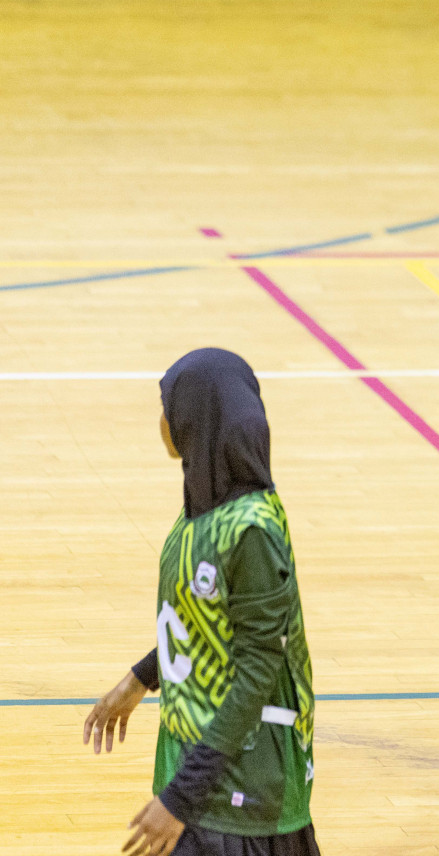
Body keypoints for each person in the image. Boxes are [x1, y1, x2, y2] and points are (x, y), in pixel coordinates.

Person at [82, 348, 318, 856]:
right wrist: (142, 677)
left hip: (245, 784)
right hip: (198, 760)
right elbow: (205, 622)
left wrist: (182, 796)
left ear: (196, 418)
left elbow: (258, 669)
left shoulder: (252, 530)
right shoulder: (201, 510)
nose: (162, 419)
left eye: (170, 404)